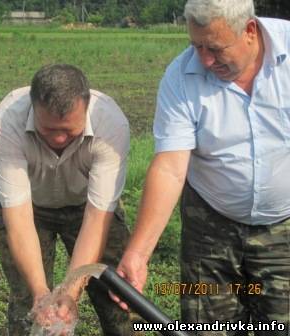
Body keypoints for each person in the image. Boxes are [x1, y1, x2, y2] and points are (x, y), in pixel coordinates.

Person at [115, 0, 290, 335]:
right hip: (210, 226)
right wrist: (137, 255)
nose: (205, 60)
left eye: (215, 48)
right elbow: (170, 167)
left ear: (250, 31)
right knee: (207, 327)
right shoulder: (181, 76)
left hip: (283, 224)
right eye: (197, 46)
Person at [0, 64, 133, 335]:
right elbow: (18, 219)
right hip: (28, 205)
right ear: (33, 108)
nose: (58, 138)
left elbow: (96, 218)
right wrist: (42, 293)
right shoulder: (7, 120)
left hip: (86, 206)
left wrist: (71, 291)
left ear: (86, 107)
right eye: (48, 129)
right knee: (28, 304)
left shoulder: (110, 124)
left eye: (68, 130)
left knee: (116, 298)